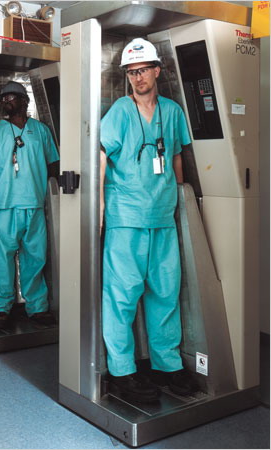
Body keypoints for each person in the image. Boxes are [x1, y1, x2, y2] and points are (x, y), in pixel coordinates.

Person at [100, 38, 198, 402]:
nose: (137, 78)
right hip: (126, 216)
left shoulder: (172, 112)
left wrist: (181, 197)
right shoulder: (120, 112)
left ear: (157, 70)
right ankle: (122, 370)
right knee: (122, 294)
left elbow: (174, 157)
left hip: (162, 216)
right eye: (131, 72)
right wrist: (99, 209)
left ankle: (166, 364)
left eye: (142, 70)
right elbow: (100, 155)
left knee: (165, 292)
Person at [0, 81, 59, 330]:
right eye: (3, 99)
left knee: (35, 258)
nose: (6, 102)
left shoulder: (40, 130)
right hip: (4, 205)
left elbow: (52, 167)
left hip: (35, 205)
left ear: (25, 101)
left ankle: (37, 307)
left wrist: (55, 200)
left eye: (11, 97)